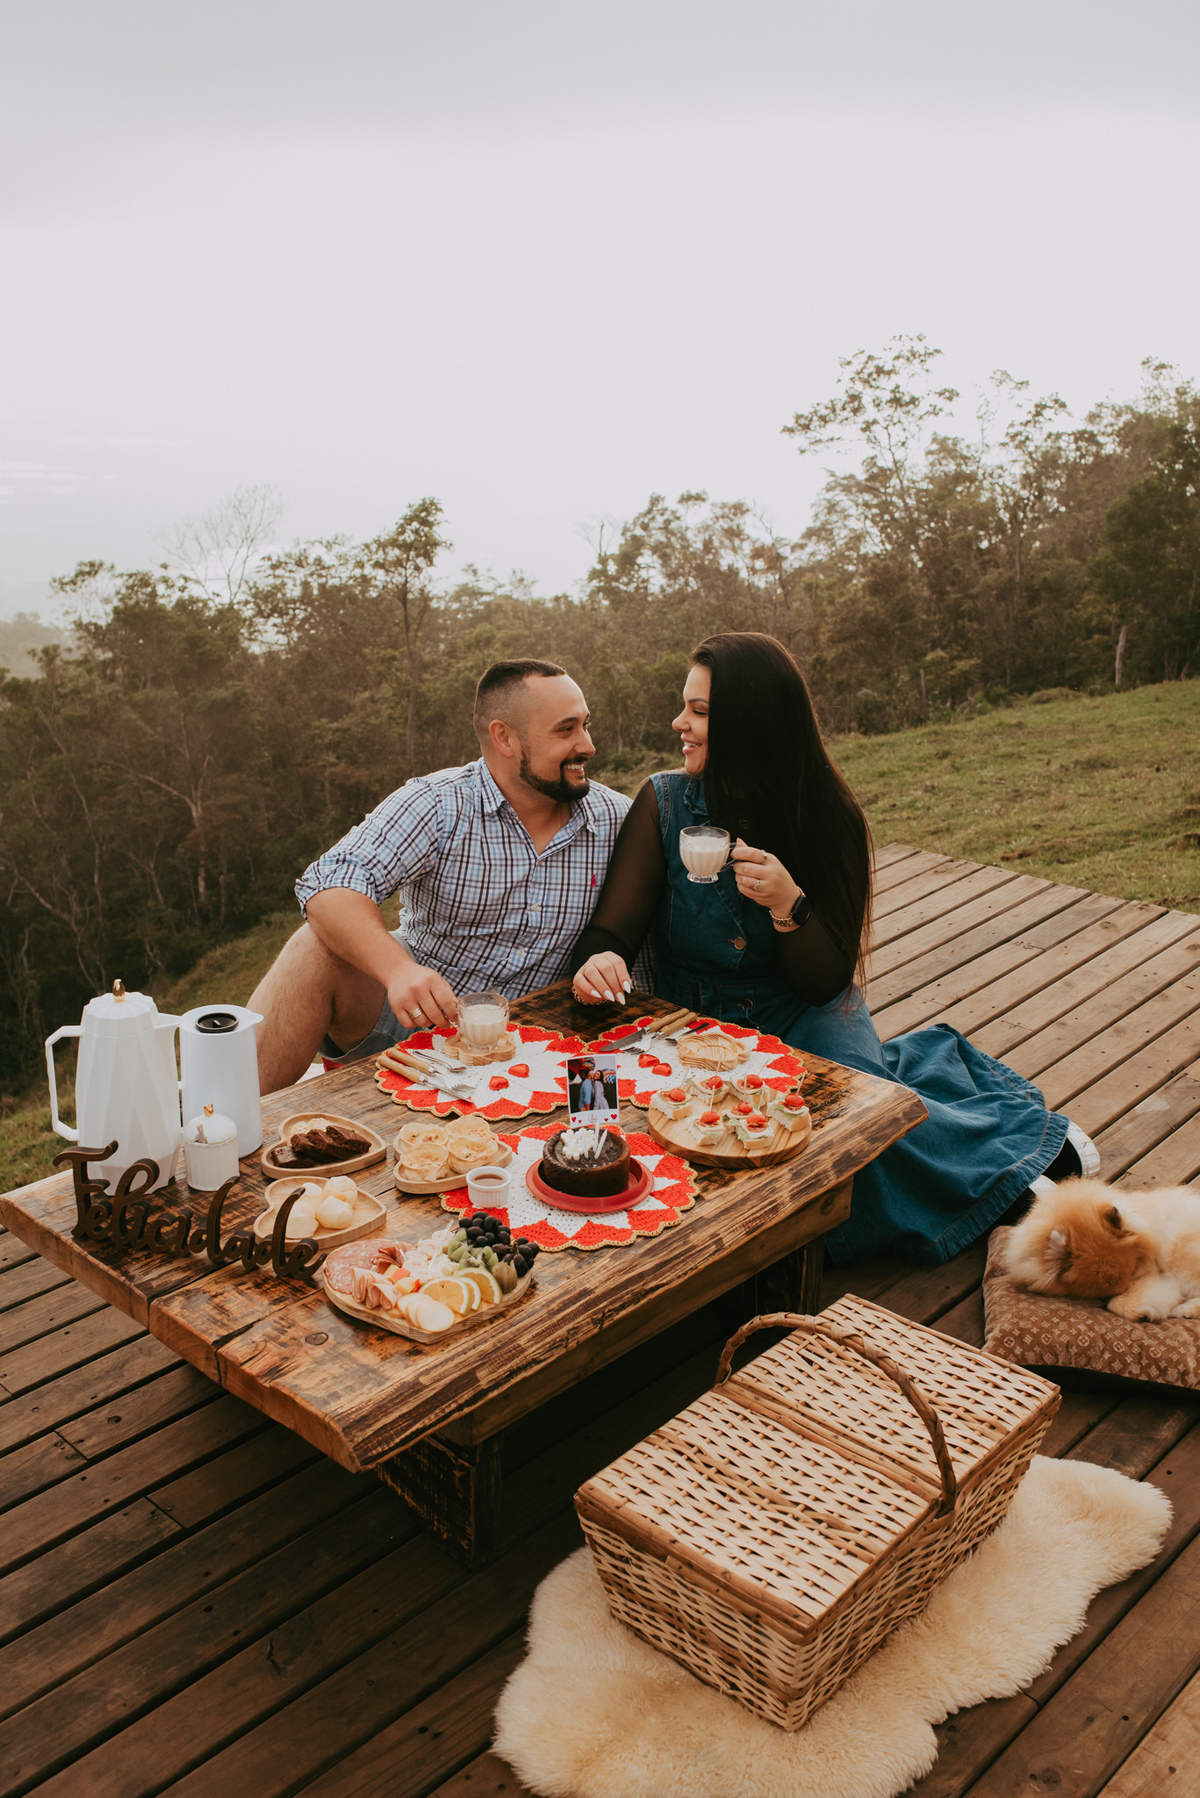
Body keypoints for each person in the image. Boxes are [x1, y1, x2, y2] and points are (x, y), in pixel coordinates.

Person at [570, 631, 1098, 1266]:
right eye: (686, 706)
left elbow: (824, 982)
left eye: (700, 711)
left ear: (751, 723)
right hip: (695, 1024)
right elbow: (612, 931)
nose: (679, 723)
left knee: (846, 1141)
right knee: (674, 1139)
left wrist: (789, 905)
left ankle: (1024, 1157)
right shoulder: (664, 801)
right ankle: (919, 1085)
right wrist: (600, 959)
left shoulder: (827, 815)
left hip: (802, 1010)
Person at [251, 659, 635, 1094]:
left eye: (586, 725)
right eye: (566, 730)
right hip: (418, 1021)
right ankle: (228, 1122)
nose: (587, 745)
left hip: (544, 1039)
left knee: (601, 1106)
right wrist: (398, 971)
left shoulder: (618, 818)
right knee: (312, 946)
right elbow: (328, 883)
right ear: (504, 737)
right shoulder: (436, 803)